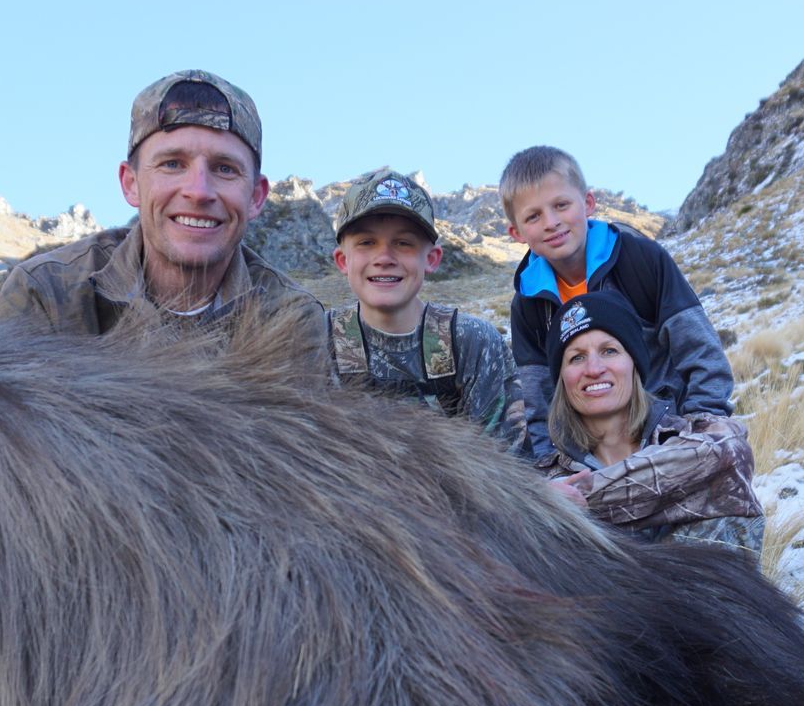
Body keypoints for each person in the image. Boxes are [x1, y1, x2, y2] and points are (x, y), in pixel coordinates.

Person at [0, 69, 329, 371]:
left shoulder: (292, 319)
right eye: (172, 164)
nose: (198, 191)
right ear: (131, 183)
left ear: (256, 196)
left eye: (225, 168)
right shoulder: (46, 293)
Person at [502, 145, 735, 461]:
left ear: (588, 203)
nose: (551, 222)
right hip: (594, 456)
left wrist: (699, 429)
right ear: (516, 232)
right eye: (534, 216)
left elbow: (702, 352)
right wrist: (548, 464)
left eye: (561, 205)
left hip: (673, 435)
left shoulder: (642, 260)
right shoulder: (527, 304)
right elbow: (537, 399)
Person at [543, 291, 763, 553]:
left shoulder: (692, 436)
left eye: (609, 351)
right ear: (562, 379)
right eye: (576, 357)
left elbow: (730, 452)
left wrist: (573, 501)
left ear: (635, 365)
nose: (593, 368)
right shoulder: (545, 478)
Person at [326, 168, 521, 443]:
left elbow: (508, 466)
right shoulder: (315, 339)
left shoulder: (474, 342)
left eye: (403, 243)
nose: (384, 257)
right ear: (342, 261)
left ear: (432, 259)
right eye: (366, 243)